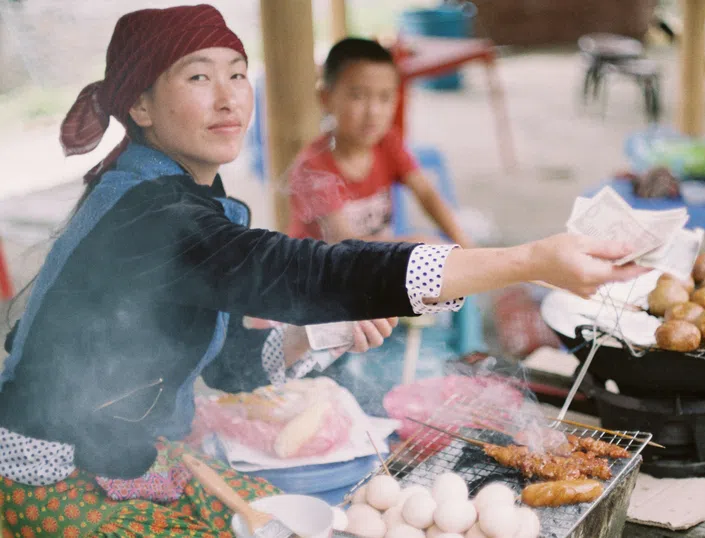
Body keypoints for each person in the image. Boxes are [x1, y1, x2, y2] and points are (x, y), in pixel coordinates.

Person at [0, 6, 647, 535]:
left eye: (237, 72)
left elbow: (224, 367)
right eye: (197, 78)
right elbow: (313, 271)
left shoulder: (181, 196)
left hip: (135, 441)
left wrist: (317, 334)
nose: (229, 98)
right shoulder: (152, 217)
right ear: (139, 106)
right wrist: (532, 260)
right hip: (55, 465)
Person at [286, 38, 471, 247]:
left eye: (385, 97)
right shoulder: (312, 168)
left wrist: (465, 246)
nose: (374, 112)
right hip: (319, 275)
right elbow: (343, 244)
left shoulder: (387, 142)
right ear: (325, 98)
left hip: (373, 265)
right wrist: (415, 245)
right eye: (358, 96)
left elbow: (427, 194)